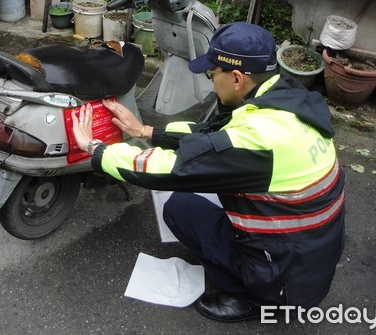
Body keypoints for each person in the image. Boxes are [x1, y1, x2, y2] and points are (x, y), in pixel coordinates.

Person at [72, 22, 345, 323]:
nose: (212, 80)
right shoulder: (284, 98)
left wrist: (95, 148)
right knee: (206, 190)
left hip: (285, 283)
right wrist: (146, 130)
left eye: (212, 74)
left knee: (180, 207)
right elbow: (213, 136)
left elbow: (169, 169)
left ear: (238, 78)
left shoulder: (257, 140)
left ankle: (251, 299)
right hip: (309, 258)